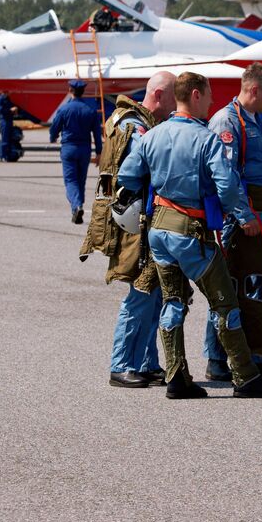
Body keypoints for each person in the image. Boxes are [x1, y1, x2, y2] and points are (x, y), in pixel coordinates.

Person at [116, 72, 262, 399]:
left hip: (159, 233)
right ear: (195, 95)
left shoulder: (152, 135)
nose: (211, 102)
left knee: (173, 302)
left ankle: (176, 377)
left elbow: (128, 175)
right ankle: (245, 377)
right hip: (192, 233)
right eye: (208, 96)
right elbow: (227, 185)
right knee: (226, 303)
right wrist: (245, 216)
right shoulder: (206, 138)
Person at [80, 71, 176, 389]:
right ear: (160, 95)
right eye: (176, 95)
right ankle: (121, 364)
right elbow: (139, 171)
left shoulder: (142, 123)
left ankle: (146, 362)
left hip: (145, 218)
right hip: (137, 223)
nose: (179, 103)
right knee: (141, 292)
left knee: (155, 292)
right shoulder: (134, 127)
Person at [204, 63, 262, 381]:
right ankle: (216, 359)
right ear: (253, 90)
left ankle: (258, 355)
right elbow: (226, 177)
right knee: (230, 290)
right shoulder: (228, 122)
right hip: (242, 223)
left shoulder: (256, 121)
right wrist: (244, 217)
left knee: (260, 289)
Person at [49, 79, 102, 223]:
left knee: (71, 180)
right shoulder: (90, 110)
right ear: (83, 92)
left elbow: (55, 127)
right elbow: (97, 134)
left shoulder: (64, 109)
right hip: (84, 149)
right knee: (81, 180)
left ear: (70, 91)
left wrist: (53, 137)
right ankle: (77, 207)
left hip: (69, 148)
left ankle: (76, 205)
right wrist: (99, 152)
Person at [0, 92, 21, 162]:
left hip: (9, 119)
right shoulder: (0, 99)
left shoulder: (7, 98)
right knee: (5, 139)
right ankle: (3, 156)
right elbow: (0, 110)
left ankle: (8, 155)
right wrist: (10, 110)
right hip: (4, 120)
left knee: (9, 138)